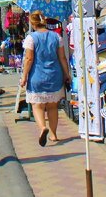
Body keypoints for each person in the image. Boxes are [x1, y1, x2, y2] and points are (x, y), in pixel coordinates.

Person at [20, 11, 70, 147]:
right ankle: (54, 134)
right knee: (53, 106)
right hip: (54, 74)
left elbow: (29, 59)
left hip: (37, 75)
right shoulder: (56, 37)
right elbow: (62, 58)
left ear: (32, 22)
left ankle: (42, 127)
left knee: (38, 106)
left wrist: (24, 76)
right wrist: (67, 74)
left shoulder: (31, 38)